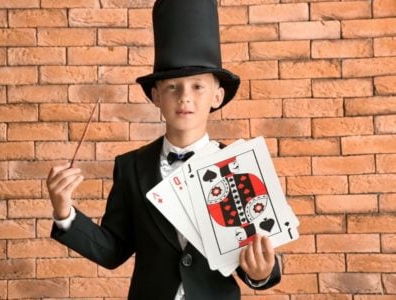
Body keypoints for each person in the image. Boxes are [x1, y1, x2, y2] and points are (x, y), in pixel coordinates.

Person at [47, 0, 281, 299]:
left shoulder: (238, 166)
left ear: (217, 96)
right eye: (173, 87)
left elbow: (260, 249)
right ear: (156, 95)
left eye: (197, 86)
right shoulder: (131, 167)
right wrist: (64, 211)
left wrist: (261, 274)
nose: (185, 97)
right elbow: (112, 251)